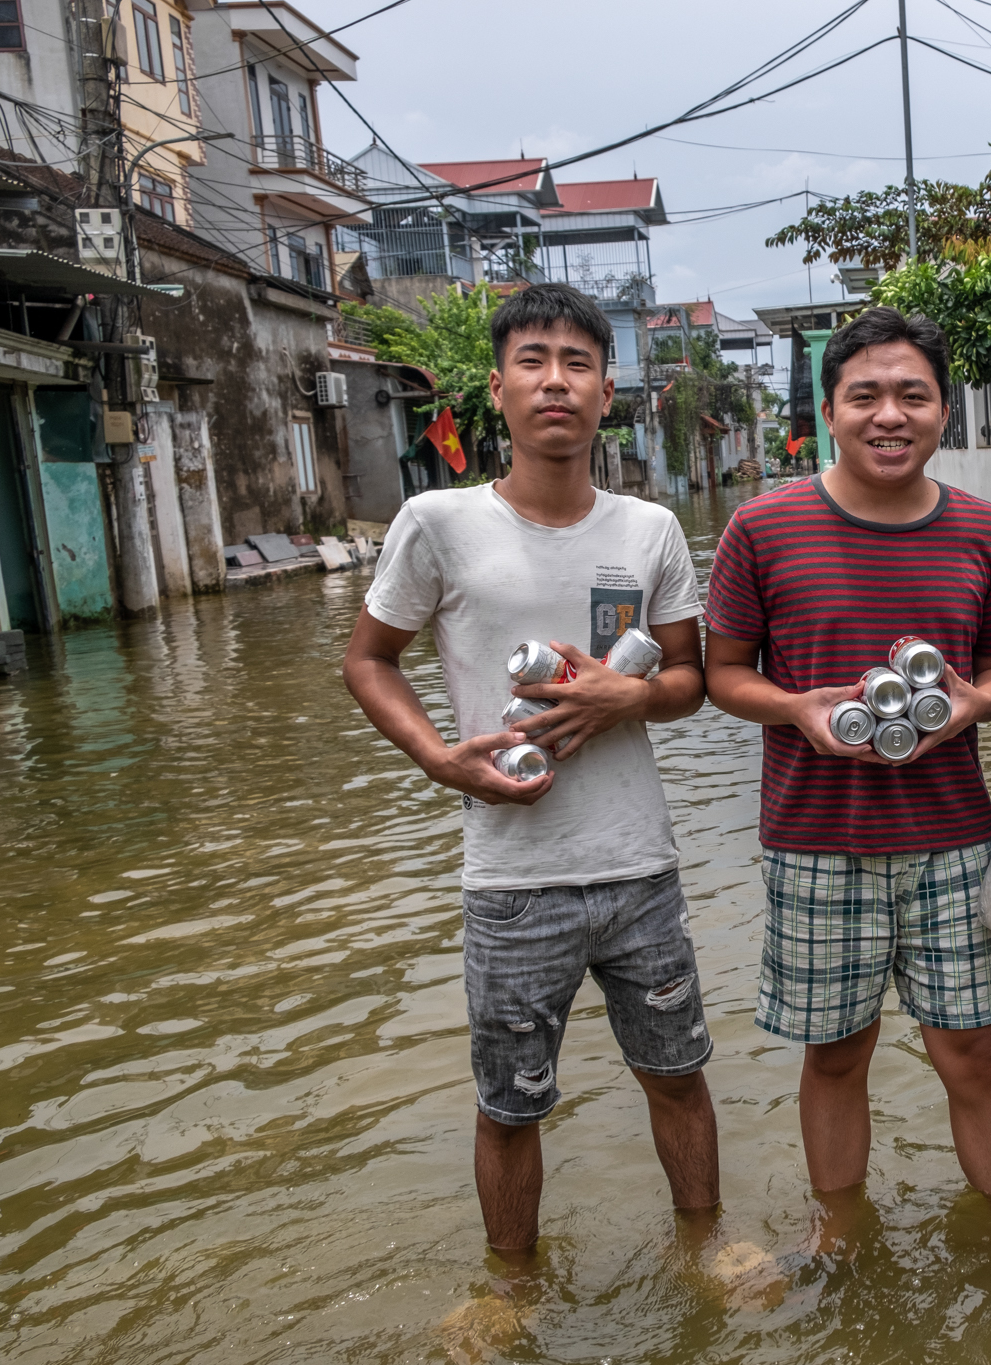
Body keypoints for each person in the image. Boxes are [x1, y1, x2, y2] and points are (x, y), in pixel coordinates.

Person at [343, 283, 719, 1261]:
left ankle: (708, 1249)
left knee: (678, 1075)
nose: (555, 380)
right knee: (509, 1106)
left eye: (578, 363)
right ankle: (510, 1285)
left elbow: (688, 679)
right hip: (511, 878)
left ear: (605, 394)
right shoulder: (437, 521)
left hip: (639, 868)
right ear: (499, 391)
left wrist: (627, 696)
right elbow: (366, 659)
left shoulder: (650, 531)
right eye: (532, 361)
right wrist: (436, 759)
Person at [703, 306, 991, 1240]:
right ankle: (843, 1232)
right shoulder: (764, 528)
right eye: (866, 395)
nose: (890, 414)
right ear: (828, 408)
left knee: (974, 1053)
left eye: (913, 394)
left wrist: (972, 704)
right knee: (837, 1055)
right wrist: (801, 709)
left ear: (944, 409)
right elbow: (724, 674)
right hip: (817, 839)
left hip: (954, 837)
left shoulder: (984, 529)